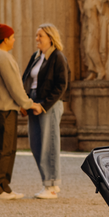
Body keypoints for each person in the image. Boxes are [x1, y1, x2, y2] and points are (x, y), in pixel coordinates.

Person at [0, 24, 43, 200]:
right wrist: (28, 104)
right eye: (12, 37)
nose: (14, 40)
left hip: (4, 108)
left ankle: (3, 186)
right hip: (3, 109)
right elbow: (14, 86)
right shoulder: (2, 57)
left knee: (8, 149)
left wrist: (19, 106)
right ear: (5, 39)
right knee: (3, 149)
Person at [21, 23, 69, 199]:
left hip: (49, 104)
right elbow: (26, 78)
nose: (37, 39)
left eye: (40, 36)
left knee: (49, 144)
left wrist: (44, 105)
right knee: (36, 143)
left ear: (50, 37)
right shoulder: (36, 56)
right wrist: (24, 102)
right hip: (33, 102)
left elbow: (61, 85)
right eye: (36, 36)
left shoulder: (58, 57)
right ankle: (46, 183)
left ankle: (52, 185)